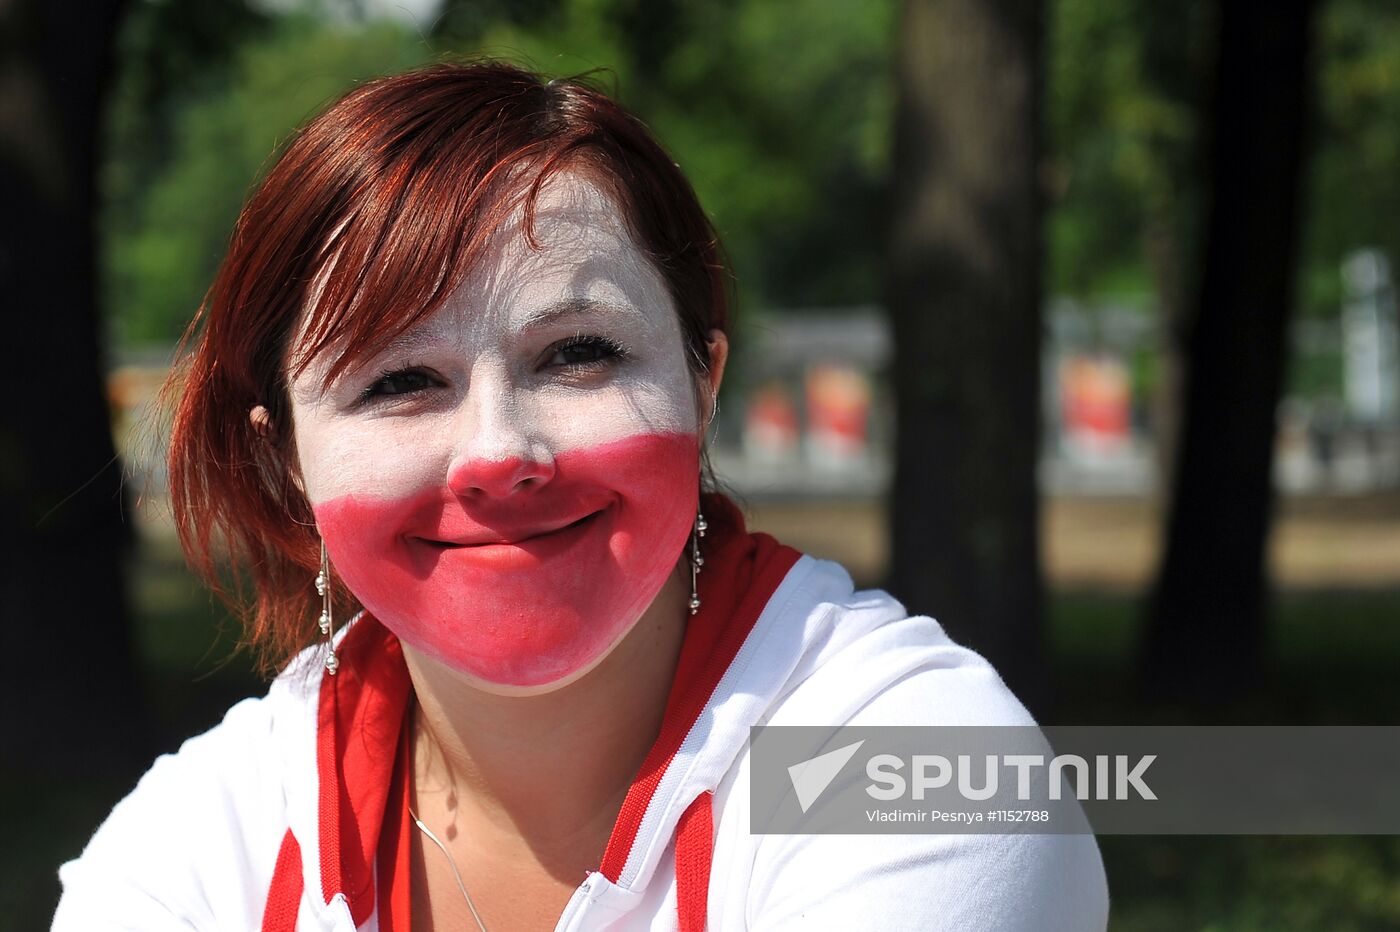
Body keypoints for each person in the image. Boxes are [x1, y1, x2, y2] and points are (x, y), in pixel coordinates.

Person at [53, 61, 1109, 931]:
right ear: (286, 457)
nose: (497, 450)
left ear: (702, 379)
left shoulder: (918, 764)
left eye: (578, 354)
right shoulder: (199, 845)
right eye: (398, 380)